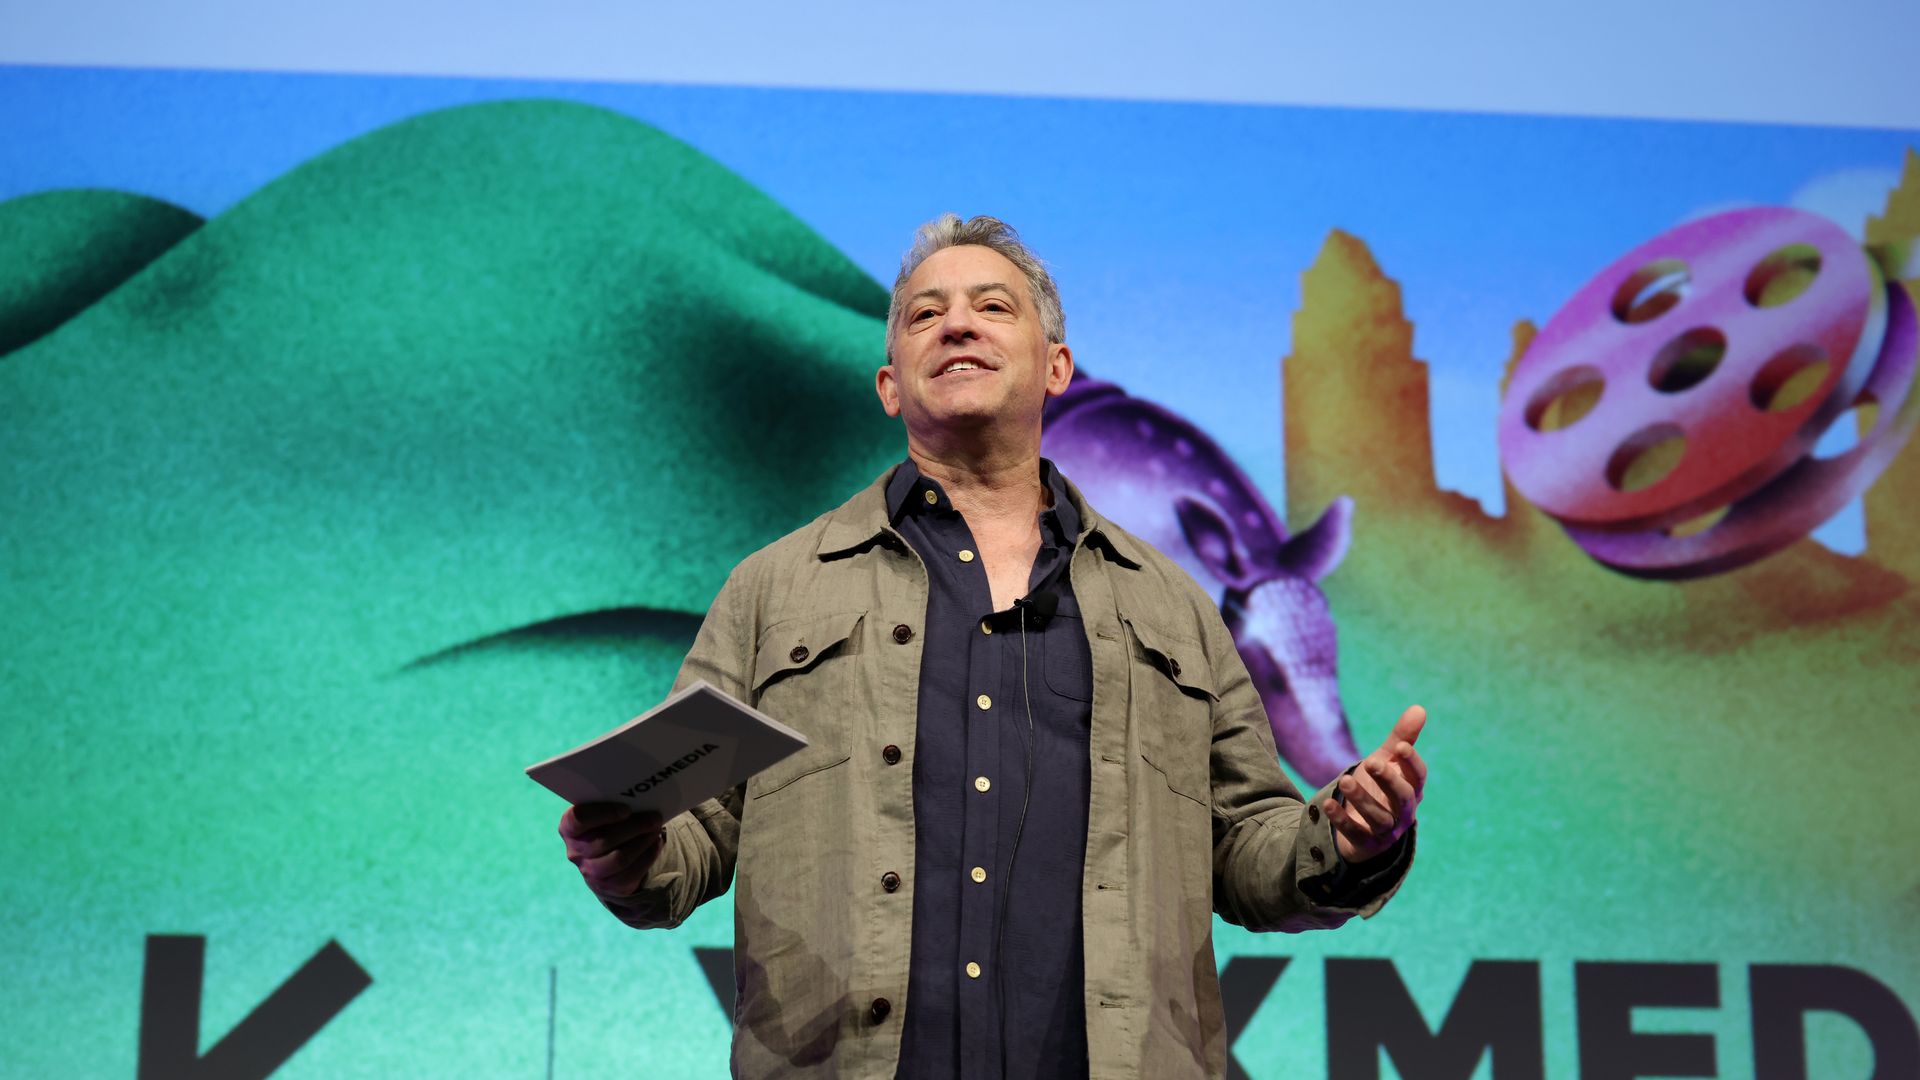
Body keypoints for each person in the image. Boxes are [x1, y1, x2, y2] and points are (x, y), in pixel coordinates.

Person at [559, 215, 1427, 1078]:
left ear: (1057, 368)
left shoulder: (1175, 609)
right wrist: (628, 853)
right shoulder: (773, 589)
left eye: (992, 306)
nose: (957, 325)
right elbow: (690, 838)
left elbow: (1245, 848)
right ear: (890, 384)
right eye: (924, 315)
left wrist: (1348, 840)